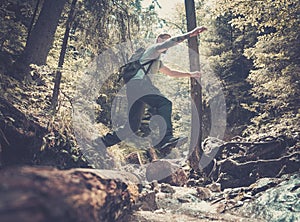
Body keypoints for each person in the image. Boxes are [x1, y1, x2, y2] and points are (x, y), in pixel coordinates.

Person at [99, 26, 207, 151]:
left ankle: (102, 142)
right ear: (158, 39)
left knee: (132, 126)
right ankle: (166, 138)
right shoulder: (154, 49)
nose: (168, 42)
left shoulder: (156, 60)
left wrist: (191, 74)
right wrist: (190, 34)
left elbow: (171, 72)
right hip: (139, 84)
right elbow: (170, 43)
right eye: (165, 39)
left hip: (134, 88)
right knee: (164, 103)